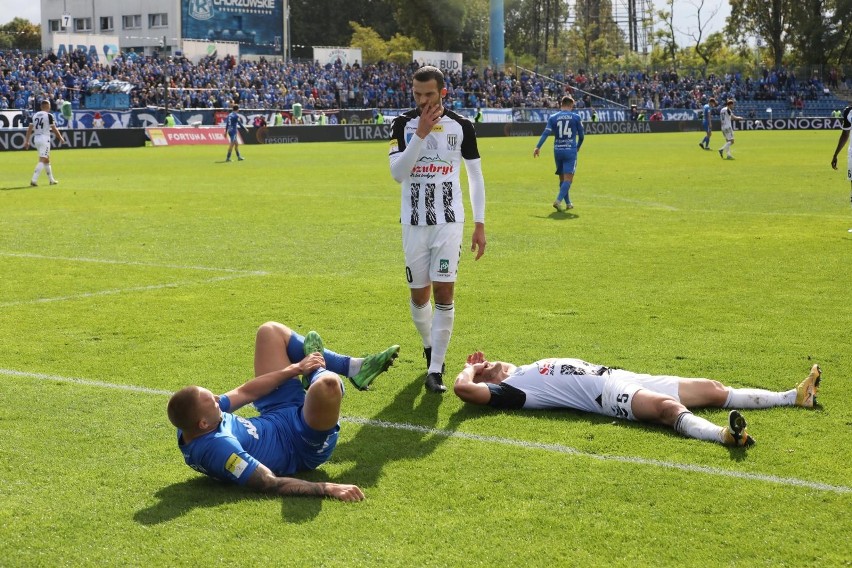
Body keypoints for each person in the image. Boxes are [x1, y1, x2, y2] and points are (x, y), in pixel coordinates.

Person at [167, 322, 400, 501]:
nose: (219, 400)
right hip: (301, 443)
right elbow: (268, 482)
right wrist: (326, 488)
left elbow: (246, 392)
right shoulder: (220, 449)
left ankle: (352, 367)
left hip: (276, 411)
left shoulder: (193, 422)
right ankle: (317, 374)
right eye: (215, 403)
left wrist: (294, 369)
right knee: (328, 384)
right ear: (204, 425)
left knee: (269, 332)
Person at [453, 351, 824, 448]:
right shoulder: (519, 392)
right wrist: (469, 372)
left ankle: (794, 397)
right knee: (666, 410)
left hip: (622, 375)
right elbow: (462, 390)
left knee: (710, 388)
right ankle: (724, 436)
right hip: (607, 395)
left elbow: (497, 368)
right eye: (485, 370)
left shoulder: (518, 370)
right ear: (489, 383)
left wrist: (483, 365)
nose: (488, 364)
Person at [388, 65, 487, 394]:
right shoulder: (402, 124)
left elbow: (475, 176)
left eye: (429, 94)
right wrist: (421, 133)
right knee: (420, 296)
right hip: (413, 224)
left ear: (442, 92)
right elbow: (398, 173)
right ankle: (430, 344)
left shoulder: (462, 126)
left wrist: (480, 223)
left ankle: (436, 369)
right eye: (417, 94)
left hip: (449, 222)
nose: (422, 100)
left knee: (444, 291)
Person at [533, 95, 585, 212]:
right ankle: (558, 200)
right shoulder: (576, 117)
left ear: (561, 104)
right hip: (570, 150)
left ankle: (568, 203)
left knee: (562, 178)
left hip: (558, 150)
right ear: (571, 105)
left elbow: (545, 133)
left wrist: (538, 147)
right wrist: (578, 146)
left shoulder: (553, 117)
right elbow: (581, 136)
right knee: (569, 179)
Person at [24, 99, 65, 187]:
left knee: (46, 159)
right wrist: (61, 138)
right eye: (49, 106)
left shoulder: (34, 115)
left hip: (36, 138)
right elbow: (54, 128)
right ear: (47, 106)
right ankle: (34, 180)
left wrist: (27, 141)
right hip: (44, 138)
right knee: (43, 159)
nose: (50, 107)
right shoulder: (49, 115)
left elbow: (29, 129)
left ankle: (51, 180)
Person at [830, 103, 852, 233]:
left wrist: (835, 155)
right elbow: (845, 134)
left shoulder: (849, 112)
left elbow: (845, 135)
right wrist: (836, 154)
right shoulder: (848, 112)